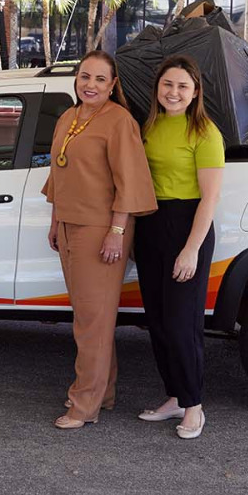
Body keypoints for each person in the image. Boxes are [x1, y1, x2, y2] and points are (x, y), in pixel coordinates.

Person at [44, 50, 157, 430]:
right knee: (90, 318)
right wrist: (55, 220)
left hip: (101, 231)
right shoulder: (69, 116)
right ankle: (103, 392)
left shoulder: (119, 121)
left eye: (99, 79)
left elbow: (130, 182)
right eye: (84, 77)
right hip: (68, 225)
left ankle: (84, 404)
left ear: (112, 85)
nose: (90, 85)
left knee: (91, 322)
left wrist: (117, 231)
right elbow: (59, 176)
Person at [133, 56, 223, 440]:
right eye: (168, 84)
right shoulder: (149, 126)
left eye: (182, 86)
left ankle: (194, 406)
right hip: (151, 225)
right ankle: (174, 397)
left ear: (195, 91)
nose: (174, 92)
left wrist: (190, 250)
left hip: (188, 226)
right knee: (157, 319)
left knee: (182, 323)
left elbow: (210, 199)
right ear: (158, 88)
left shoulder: (204, 132)